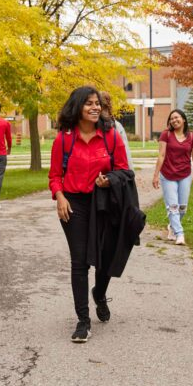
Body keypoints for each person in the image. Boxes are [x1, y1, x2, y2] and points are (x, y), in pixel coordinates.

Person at [48, 86, 135, 344]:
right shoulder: (63, 139)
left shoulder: (111, 137)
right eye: (89, 104)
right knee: (80, 261)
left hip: (104, 203)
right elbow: (54, 176)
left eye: (97, 103)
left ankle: (99, 292)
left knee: (105, 257)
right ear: (77, 108)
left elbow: (124, 170)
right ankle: (83, 321)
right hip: (74, 203)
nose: (95, 107)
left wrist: (109, 180)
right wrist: (59, 197)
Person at [152, 109, 193, 245]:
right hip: (167, 174)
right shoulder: (166, 135)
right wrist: (156, 175)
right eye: (171, 119)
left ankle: (172, 226)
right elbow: (161, 155)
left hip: (185, 175)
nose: (174, 120)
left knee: (183, 207)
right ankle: (180, 234)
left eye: (177, 118)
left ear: (184, 119)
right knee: (173, 206)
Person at [98, 91, 134, 171]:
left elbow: (126, 152)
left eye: (104, 108)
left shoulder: (116, 126)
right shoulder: (92, 125)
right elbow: (126, 154)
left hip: (113, 173)